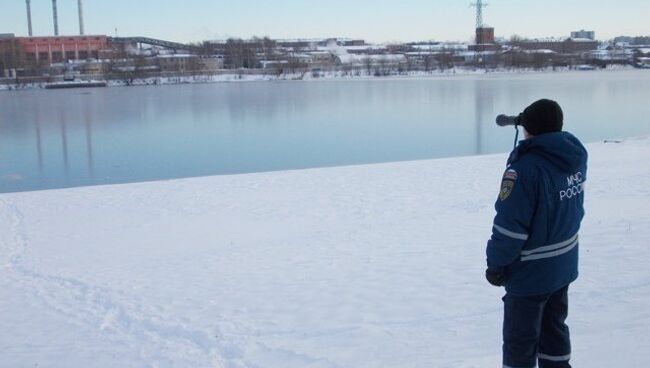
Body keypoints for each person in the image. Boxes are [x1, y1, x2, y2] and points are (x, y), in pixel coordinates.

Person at [485, 99, 588, 368]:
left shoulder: (524, 170)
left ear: (529, 128)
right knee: (554, 332)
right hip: (562, 266)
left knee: (520, 343)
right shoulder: (573, 156)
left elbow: (509, 228)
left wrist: (496, 265)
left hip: (530, 274)